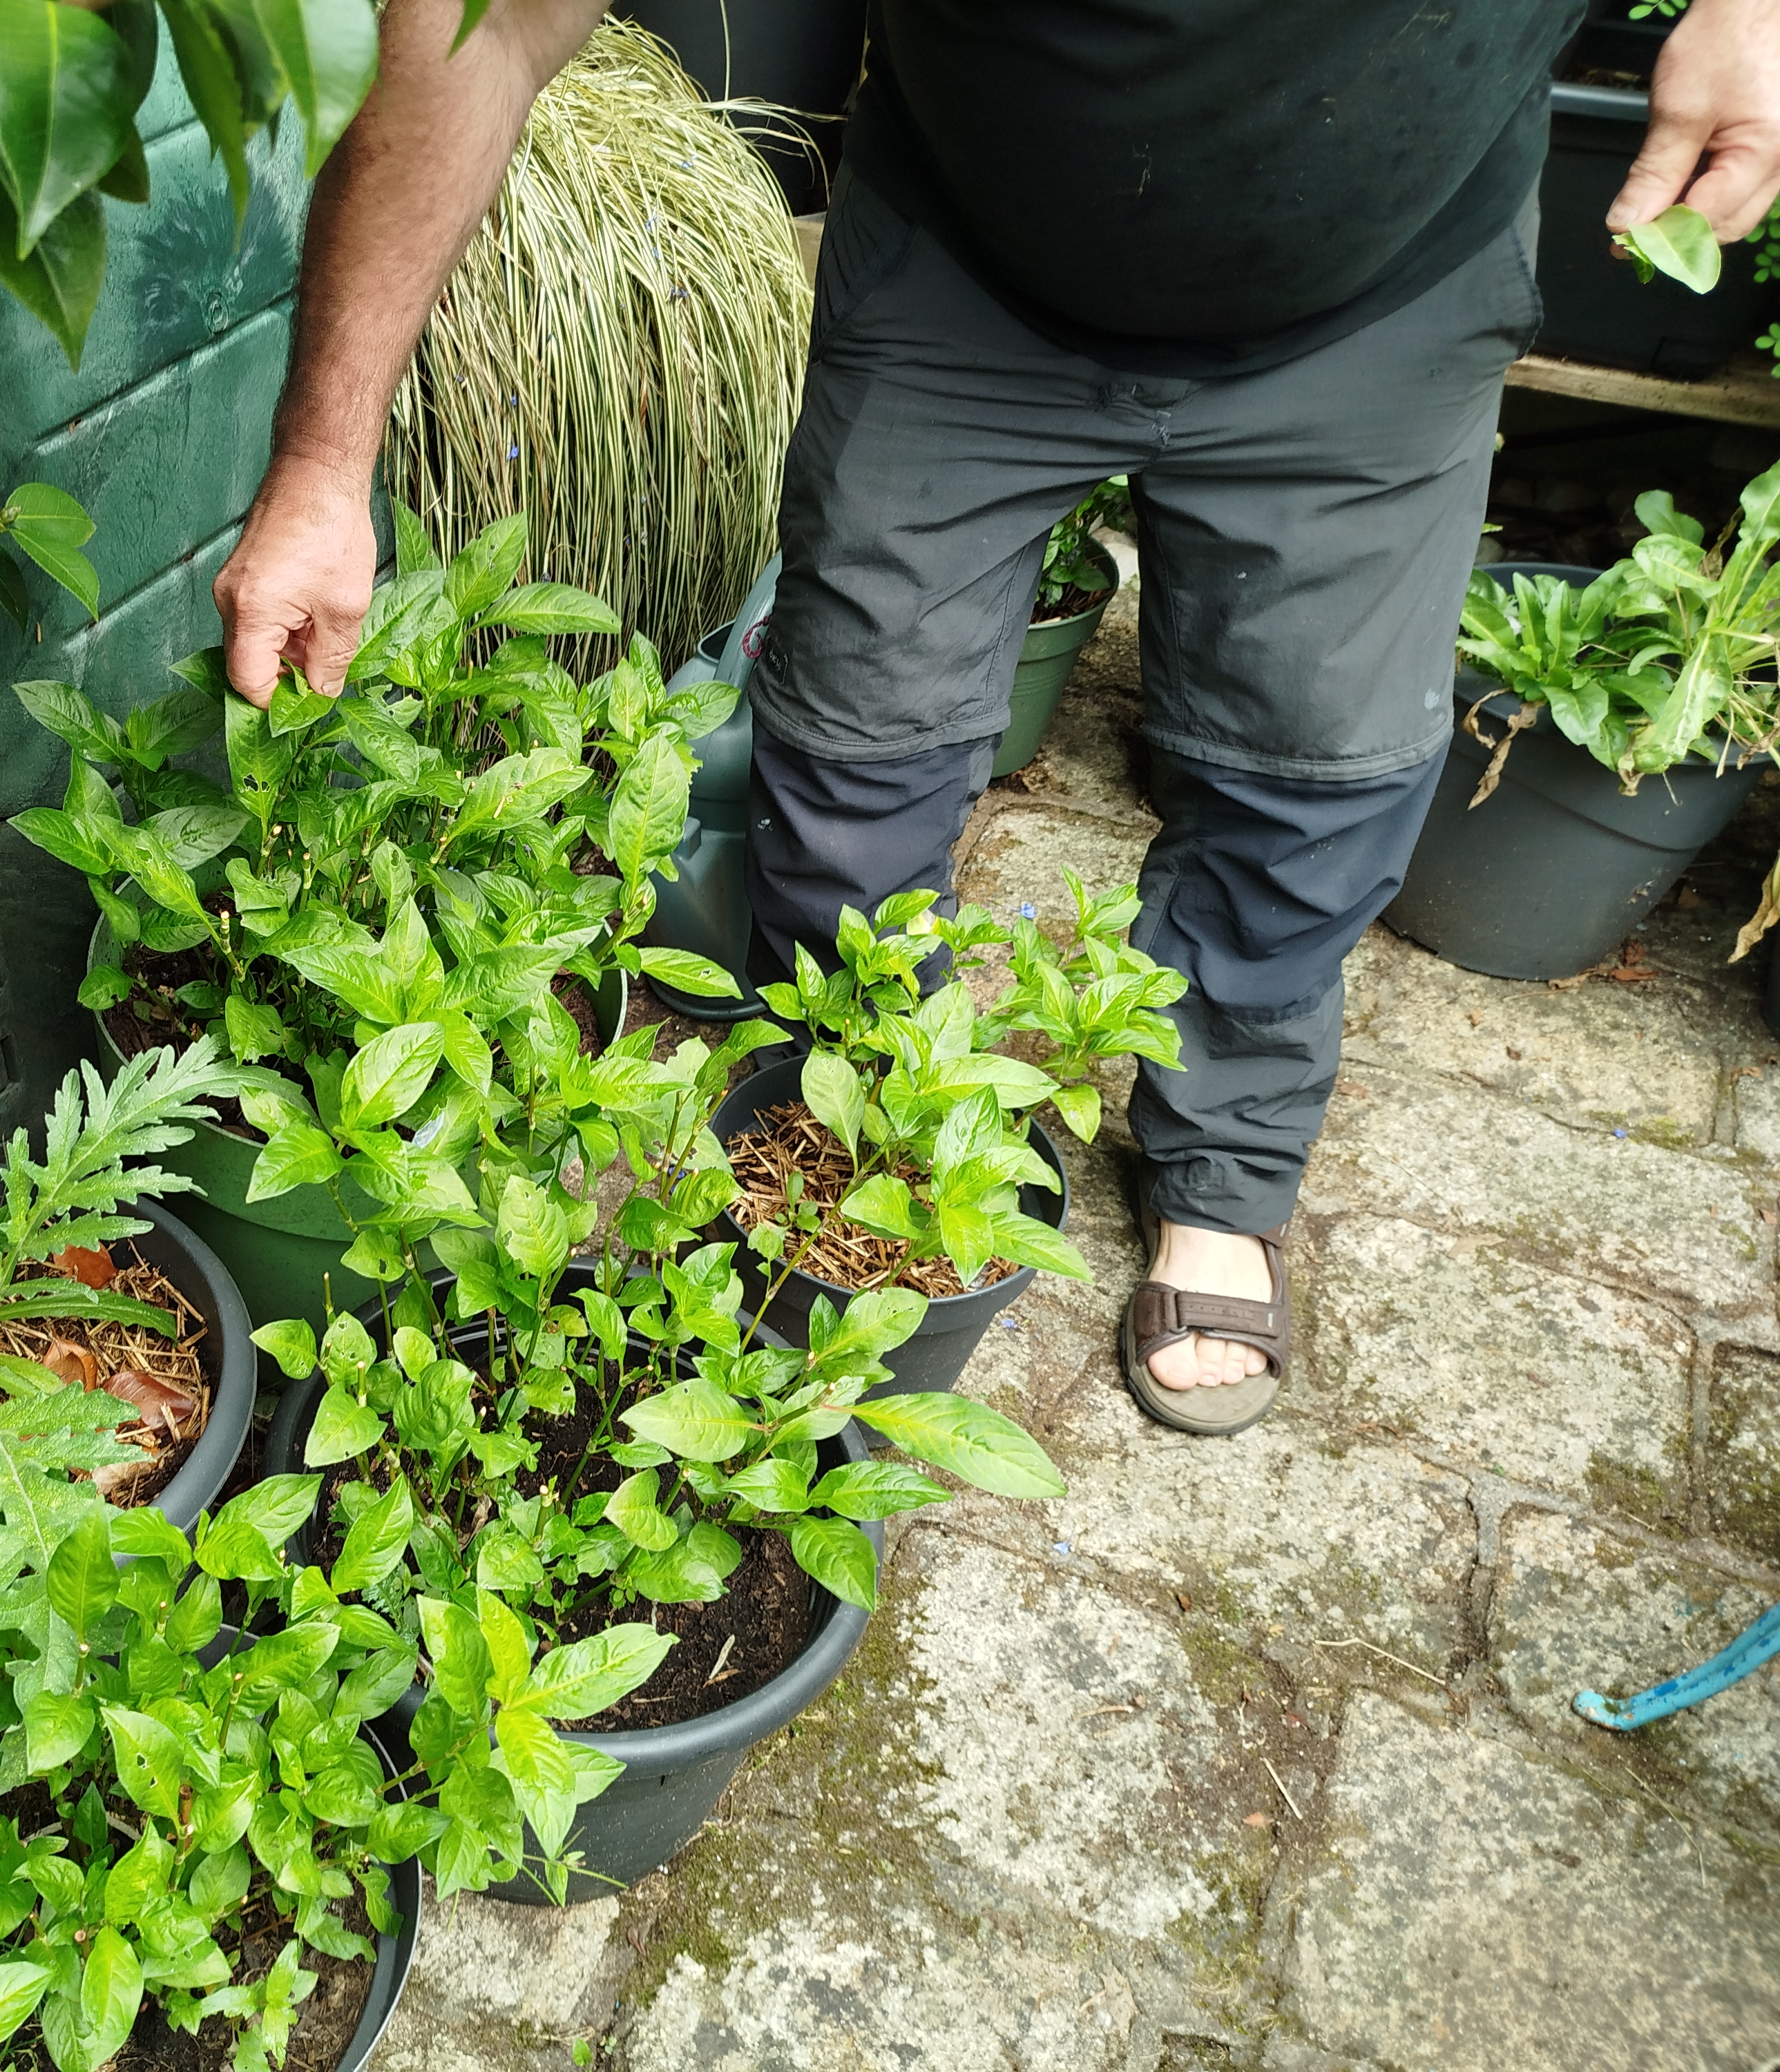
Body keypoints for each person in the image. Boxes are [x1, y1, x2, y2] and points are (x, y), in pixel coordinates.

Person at [211, 0, 1780, 1436]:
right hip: (970, 264)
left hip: (1377, 291)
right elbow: (477, 33)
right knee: (850, 756)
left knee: (1322, 772)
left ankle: (1221, 1168)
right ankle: (863, 1123)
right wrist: (319, 468)